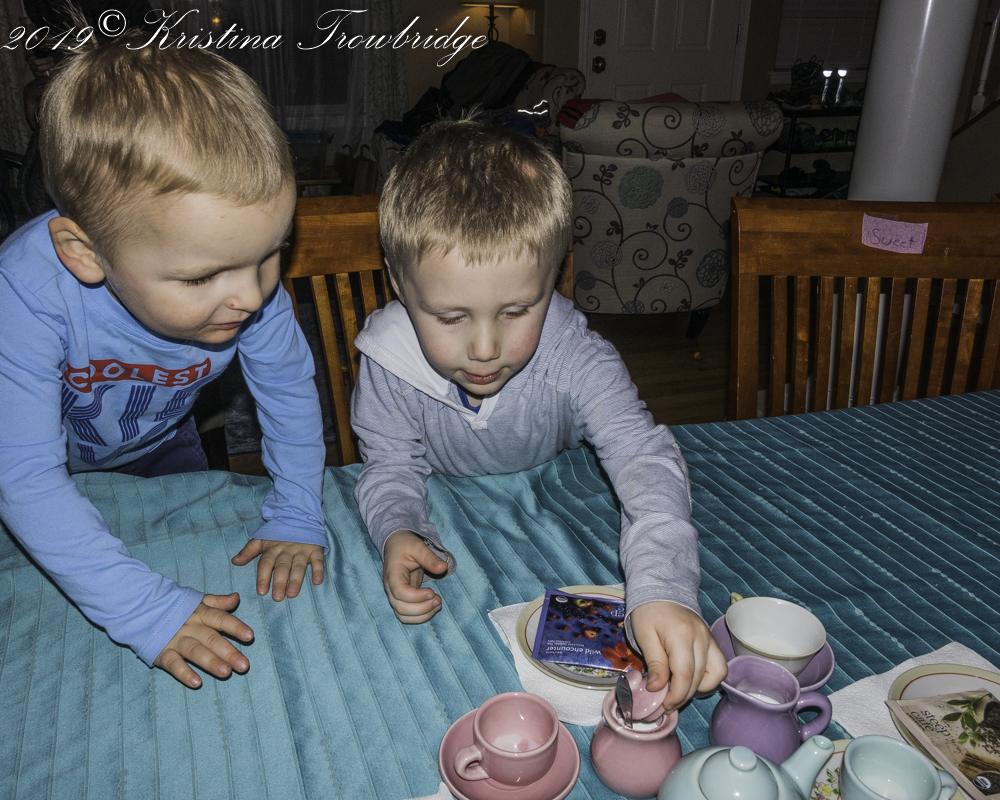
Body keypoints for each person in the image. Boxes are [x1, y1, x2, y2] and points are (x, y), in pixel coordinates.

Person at [351, 118, 728, 713]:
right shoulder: (387, 362)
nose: (484, 348)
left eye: (516, 310)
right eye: (450, 317)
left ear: (553, 278)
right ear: (399, 283)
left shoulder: (579, 359)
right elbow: (390, 463)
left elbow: (642, 457)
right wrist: (398, 528)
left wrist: (663, 587)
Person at [0, 35, 327, 688]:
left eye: (271, 252)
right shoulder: (24, 293)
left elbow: (288, 390)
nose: (253, 295)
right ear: (84, 254)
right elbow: (25, 477)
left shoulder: (245, 283)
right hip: (33, 462)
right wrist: (145, 611)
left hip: (161, 444)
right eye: (201, 276)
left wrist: (297, 511)